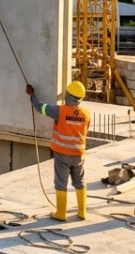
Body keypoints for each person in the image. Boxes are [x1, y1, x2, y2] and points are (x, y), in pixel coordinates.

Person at [26, 80, 91, 221]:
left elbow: (40, 107)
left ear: (68, 95)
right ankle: (82, 212)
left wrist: (32, 95)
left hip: (62, 154)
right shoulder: (86, 114)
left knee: (61, 182)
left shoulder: (59, 111)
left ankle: (61, 213)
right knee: (80, 182)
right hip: (78, 154)